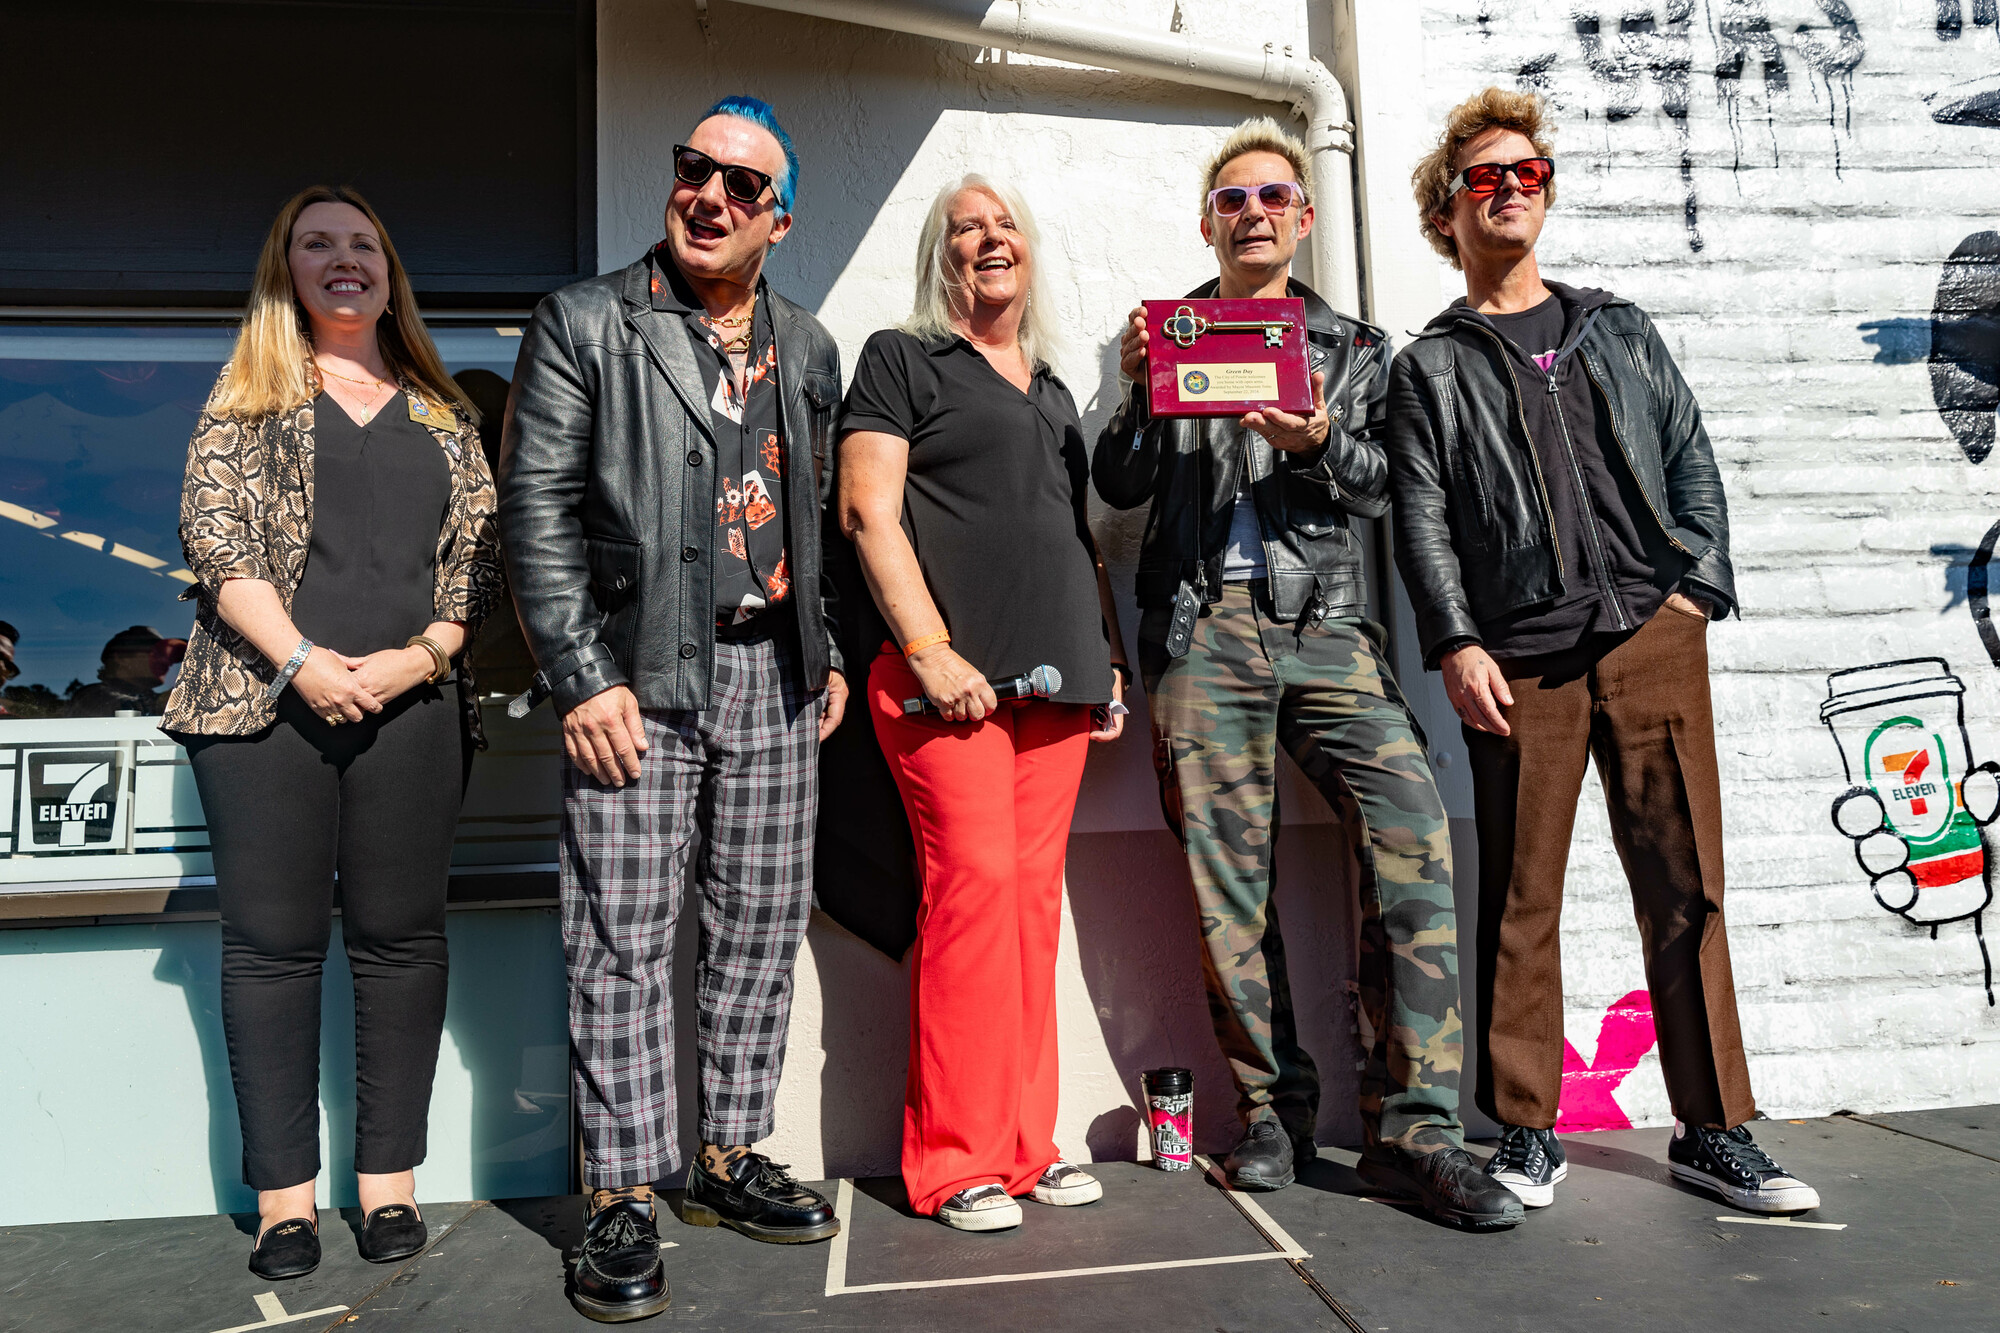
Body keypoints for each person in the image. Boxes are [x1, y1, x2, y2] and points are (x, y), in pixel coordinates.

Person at [1385, 87, 1819, 1214]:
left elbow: (1691, 459)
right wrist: (1454, 640)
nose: (1510, 189)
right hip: (1520, 656)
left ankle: (1714, 1127)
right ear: (1447, 210)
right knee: (1520, 897)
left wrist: (1693, 589)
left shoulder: (1616, 327)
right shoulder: (1430, 368)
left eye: (1526, 173)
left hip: (1650, 636)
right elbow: (1419, 518)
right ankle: (1526, 1128)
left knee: (1686, 889)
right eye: (1485, 176)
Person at [1093, 117, 1521, 1230]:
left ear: (1302, 215)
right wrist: (1140, 390)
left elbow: (1383, 485)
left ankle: (1413, 1127)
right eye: (1232, 199)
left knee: (1413, 835)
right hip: (1201, 625)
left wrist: (1316, 441)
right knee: (1226, 881)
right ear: (1207, 221)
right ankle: (1271, 1108)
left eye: (1272, 196)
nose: (1252, 213)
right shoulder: (1168, 329)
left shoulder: (1357, 348)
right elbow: (1121, 483)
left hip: (1328, 627)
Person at [499, 96, 846, 1323]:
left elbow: (808, 515)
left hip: (772, 675)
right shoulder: (586, 320)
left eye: (741, 185)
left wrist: (831, 649)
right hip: (635, 676)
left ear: (779, 219)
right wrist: (581, 674)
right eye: (694, 170)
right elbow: (532, 511)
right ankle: (619, 1195)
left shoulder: (806, 347)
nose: (708, 195)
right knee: (623, 939)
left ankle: (725, 1156)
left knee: (756, 927)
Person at [162, 185, 504, 1280]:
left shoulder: (444, 412)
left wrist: (421, 656)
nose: (344, 260)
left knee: (403, 945)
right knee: (271, 951)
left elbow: (477, 564)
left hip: (410, 708)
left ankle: (389, 1186)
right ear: (287, 270)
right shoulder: (247, 396)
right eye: (319, 244)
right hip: (263, 707)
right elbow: (218, 545)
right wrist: (302, 661)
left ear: (390, 272)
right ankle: (285, 1205)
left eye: (363, 244)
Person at [838, 173, 1129, 1233]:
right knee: (971, 897)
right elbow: (869, 513)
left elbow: (1071, 540)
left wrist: (1105, 661)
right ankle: (952, 1159)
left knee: (1025, 914)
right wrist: (926, 650)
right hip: (941, 690)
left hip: (1056, 688)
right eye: (964, 228)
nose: (987, 238)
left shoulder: (1049, 388)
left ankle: (1024, 1144)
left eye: (1003, 223)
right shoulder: (902, 359)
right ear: (940, 257)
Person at [66, 625, 185, 716]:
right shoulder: (93, 696)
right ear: (121, 657)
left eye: (170, 659)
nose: (166, 662)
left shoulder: (146, 697)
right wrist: (165, 701)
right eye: (154, 653)